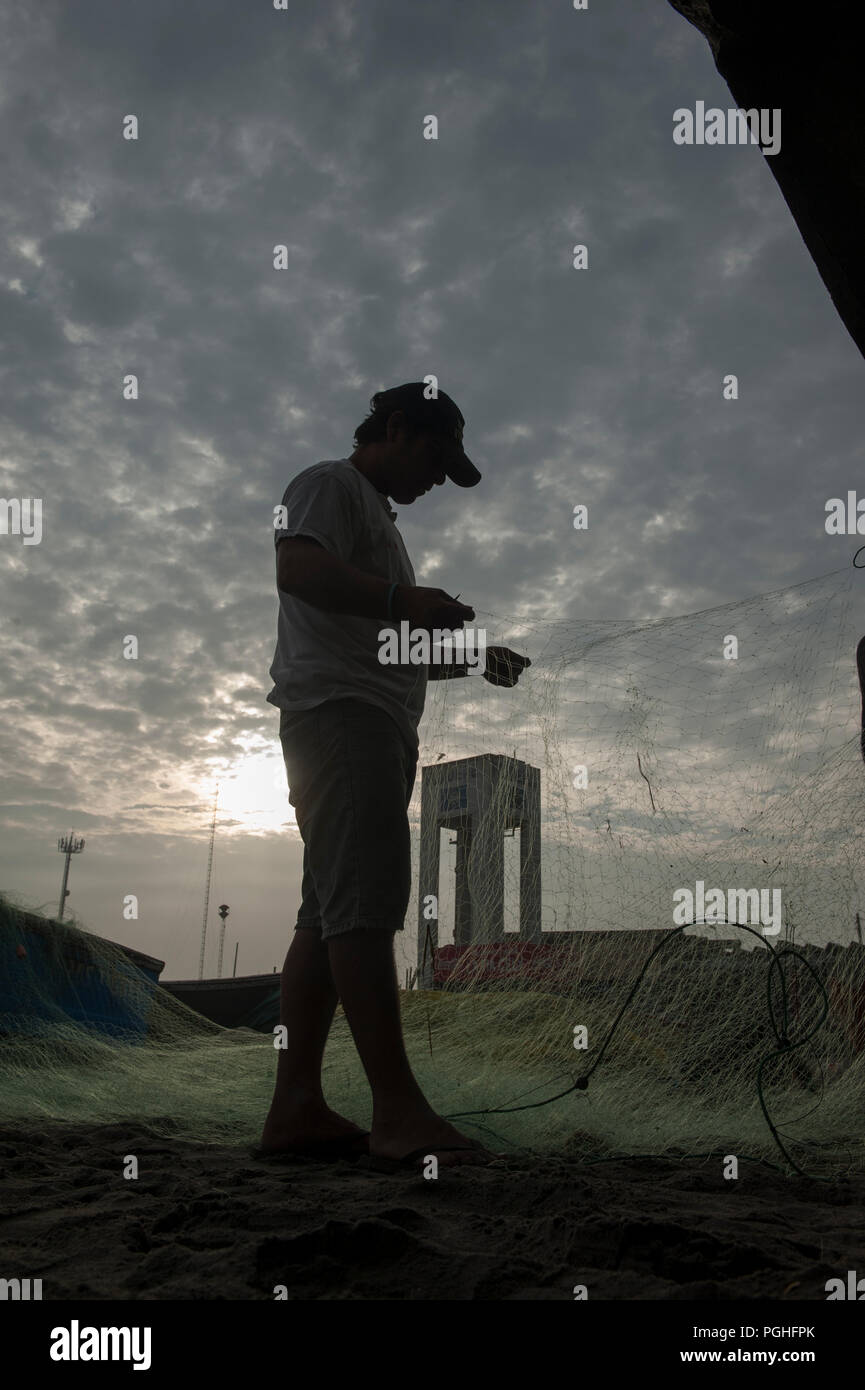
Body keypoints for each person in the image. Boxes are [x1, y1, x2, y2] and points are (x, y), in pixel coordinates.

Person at [259, 382, 530, 1170]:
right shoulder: (327, 485)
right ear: (398, 429)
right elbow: (296, 569)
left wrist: (473, 660)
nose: (437, 480)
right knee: (367, 906)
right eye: (436, 460)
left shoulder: (377, 520)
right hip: (341, 723)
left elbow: (386, 644)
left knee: (328, 914)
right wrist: (398, 596)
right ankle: (398, 1112)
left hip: (362, 721)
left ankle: (295, 1108)